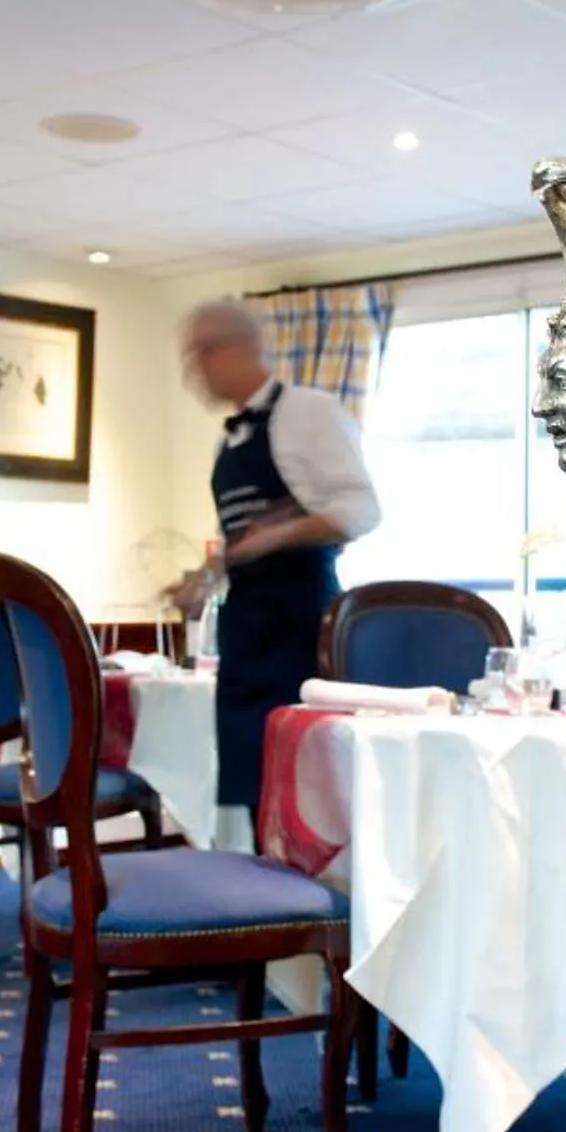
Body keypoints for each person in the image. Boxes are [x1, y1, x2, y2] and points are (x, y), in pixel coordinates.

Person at [174, 298, 380, 830]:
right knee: (250, 783)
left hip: (299, 620)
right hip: (246, 627)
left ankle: (312, 906)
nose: (191, 369)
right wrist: (208, 576)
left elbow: (360, 511)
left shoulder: (308, 411)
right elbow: (244, 539)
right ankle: (260, 903)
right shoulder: (230, 436)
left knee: (300, 786)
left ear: (231, 349)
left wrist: (277, 534)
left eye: (197, 353)